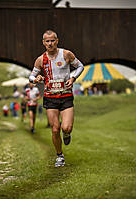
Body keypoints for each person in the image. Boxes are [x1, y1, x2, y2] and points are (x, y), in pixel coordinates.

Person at [29, 30, 84, 167]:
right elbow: (31, 76)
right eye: (47, 41)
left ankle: (66, 134)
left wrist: (73, 78)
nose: (50, 43)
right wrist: (36, 78)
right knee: (55, 129)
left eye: (52, 40)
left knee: (66, 127)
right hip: (50, 96)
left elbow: (80, 66)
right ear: (43, 43)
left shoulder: (66, 54)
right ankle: (60, 156)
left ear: (57, 41)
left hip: (65, 95)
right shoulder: (41, 59)